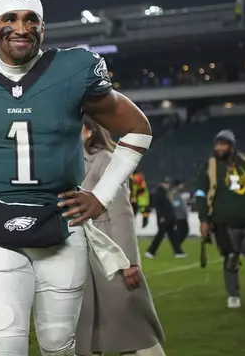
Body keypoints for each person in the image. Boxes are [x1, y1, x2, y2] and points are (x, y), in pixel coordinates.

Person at [0, 0, 151, 355]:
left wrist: (100, 196)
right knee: (4, 345)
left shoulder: (74, 70)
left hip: (61, 224)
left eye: (30, 20)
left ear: (43, 27)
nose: (20, 28)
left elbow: (138, 128)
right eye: (10, 19)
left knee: (59, 345)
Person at [76, 116, 165, 356]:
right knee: (85, 331)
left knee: (131, 326)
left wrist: (129, 262)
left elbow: (121, 212)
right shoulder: (67, 159)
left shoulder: (104, 159)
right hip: (78, 252)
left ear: (88, 129)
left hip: (107, 253)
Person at [195, 130, 245, 309]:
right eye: (217, 144)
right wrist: (204, 219)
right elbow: (201, 193)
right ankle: (233, 294)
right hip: (223, 221)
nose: (219, 147)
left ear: (232, 146)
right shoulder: (210, 165)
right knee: (231, 258)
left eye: (223, 144)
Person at [145, 177, 186, 259]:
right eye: (166, 183)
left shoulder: (164, 192)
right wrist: (162, 216)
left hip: (167, 218)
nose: (168, 184)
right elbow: (159, 206)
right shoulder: (160, 192)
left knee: (171, 235)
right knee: (162, 235)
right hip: (165, 218)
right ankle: (151, 251)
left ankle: (178, 252)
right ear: (162, 183)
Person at [172, 180, 189, 246]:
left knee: (182, 231)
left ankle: (177, 245)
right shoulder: (175, 193)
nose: (182, 186)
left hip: (180, 215)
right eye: (181, 184)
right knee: (184, 231)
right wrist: (184, 213)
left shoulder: (177, 193)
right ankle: (177, 245)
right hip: (180, 216)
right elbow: (177, 204)